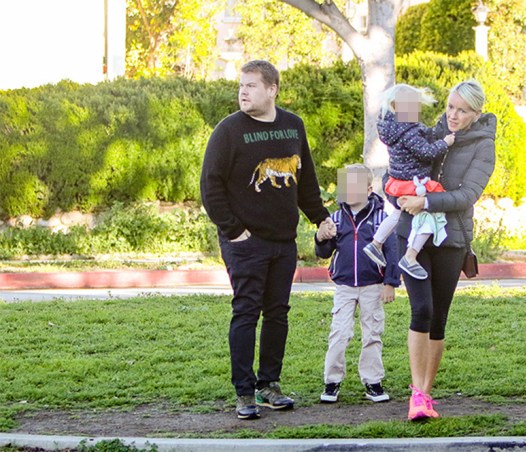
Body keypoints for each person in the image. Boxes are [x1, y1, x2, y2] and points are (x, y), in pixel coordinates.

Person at [200, 60, 336, 421]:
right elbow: (210, 186)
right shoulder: (228, 131)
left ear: (272, 89)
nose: (243, 92)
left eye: (252, 86)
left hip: (284, 241)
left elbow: (305, 181)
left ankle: (269, 385)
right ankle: (244, 392)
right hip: (245, 241)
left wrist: (320, 218)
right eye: (241, 86)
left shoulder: (293, 126)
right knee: (246, 311)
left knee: (277, 313)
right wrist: (233, 231)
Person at [396, 79, 496, 421]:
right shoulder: (428, 132)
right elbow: (399, 167)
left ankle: (424, 393)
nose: (453, 114)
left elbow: (467, 195)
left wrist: (425, 201)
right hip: (412, 235)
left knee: (438, 317)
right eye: (451, 106)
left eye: (462, 110)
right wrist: (391, 186)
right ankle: (416, 394)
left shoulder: (483, 146)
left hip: (451, 240)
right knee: (421, 309)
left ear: (476, 113)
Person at [314, 164, 401, 404]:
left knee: (372, 333)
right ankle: (332, 381)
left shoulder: (382, 218)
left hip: (373, 285)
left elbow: (392, 251)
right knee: (339, 333)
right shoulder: (335, 218)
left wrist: (390, 282)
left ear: (368, 188)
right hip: (344, 286)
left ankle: (373, 381)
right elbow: (323, 251)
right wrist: (321, 237)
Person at [362, 84, 456, 281]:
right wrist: (444, 143)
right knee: (431, 215)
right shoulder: (408, 132)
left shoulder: (391, 128)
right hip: (415, 183)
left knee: (397, 212)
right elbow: (427, 152)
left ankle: (376, 243)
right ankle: (411, 255)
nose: (417, 110)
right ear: (398, 108)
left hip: (397, 181)